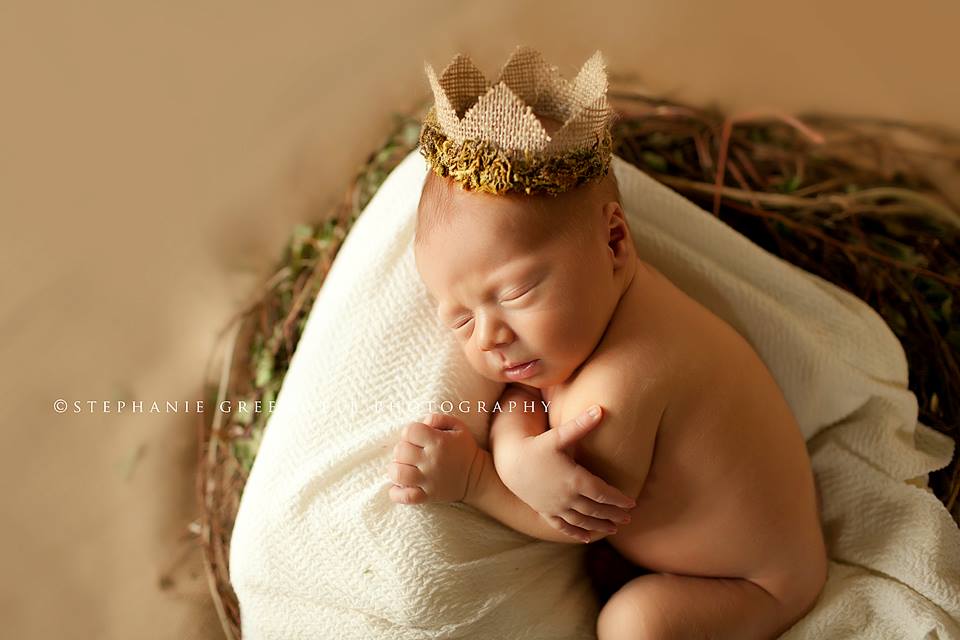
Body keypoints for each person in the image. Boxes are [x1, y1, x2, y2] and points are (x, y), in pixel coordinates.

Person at [387, 46, 827, 639]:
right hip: (695, 546)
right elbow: (527, 393)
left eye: (515, 293)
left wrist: (477, 480)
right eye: (460, 322)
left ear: (615, 242)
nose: (490, 336)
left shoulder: (625, 381)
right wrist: (517, 452)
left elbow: (579, 522)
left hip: (757, 582)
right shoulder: (589, 317)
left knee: (632, 622)